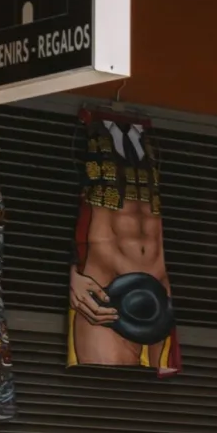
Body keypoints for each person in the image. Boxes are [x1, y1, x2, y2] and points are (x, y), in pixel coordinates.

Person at [68, 111, 181, 374]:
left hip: (161, 294)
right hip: (103, 291)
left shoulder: (160, 149)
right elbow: (49, 215)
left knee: (163, 398)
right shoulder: (80, 142)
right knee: (106, 388)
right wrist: (72, 273)